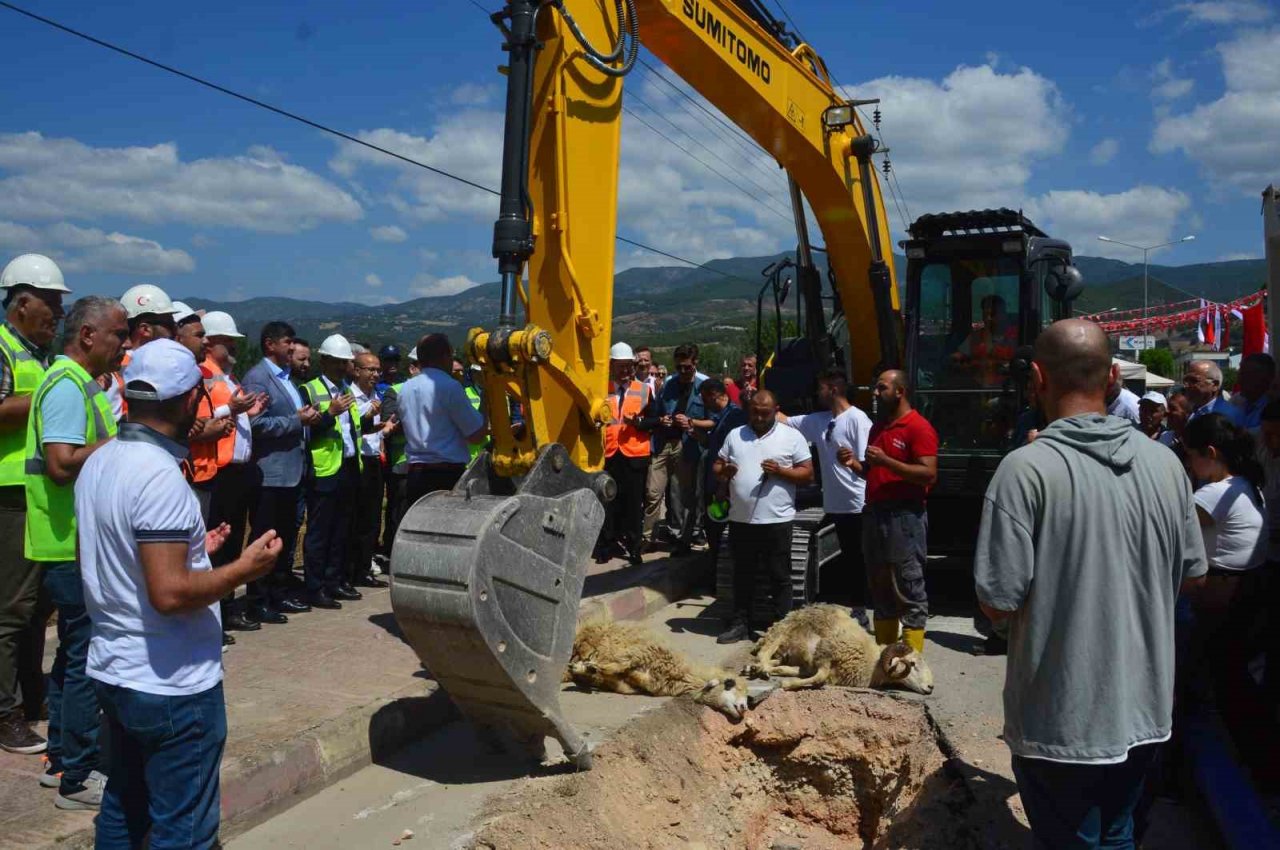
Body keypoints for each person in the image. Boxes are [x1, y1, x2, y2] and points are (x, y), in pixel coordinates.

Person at [974, 319, 1207, 849]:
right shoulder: (1167, 465)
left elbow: (997, 602)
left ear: (1037, 378)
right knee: (1119, 833)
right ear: (1113, 378)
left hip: (1062, 719)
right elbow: (1194, 575)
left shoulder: (1024, 471)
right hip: (1146, 708)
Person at [75, 338, 282, 849]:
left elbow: (118, 553)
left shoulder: (102, 461)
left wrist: (194, 550)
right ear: (189, 400)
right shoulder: (159, 476)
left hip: (115, 669)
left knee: (124, 805)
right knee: (183, 826)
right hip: (169, 682)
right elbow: (169, 594)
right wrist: (242, 570)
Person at [25, 295, 130, 808]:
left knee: (72, 654)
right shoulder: (66, 385)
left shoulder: (77, 382)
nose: (124, 345)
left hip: (73, 541)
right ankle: (78, 776)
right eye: (118, 334)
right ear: (88, 335)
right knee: (87, 658)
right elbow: (61, 464)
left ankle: (63, 760)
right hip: (70, 543)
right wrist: (122, 443)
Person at [0, 253, 68, 756]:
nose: (58, 315)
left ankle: (28, 695)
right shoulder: (4, 349)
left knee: (35, 607)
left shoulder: (41, 356)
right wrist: (52, 394)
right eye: (51, 304)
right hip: (9, 496)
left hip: (39, 496)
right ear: (22, 303)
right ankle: (5, 714)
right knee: (11, 609)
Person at [1184, 413, 1268, 719]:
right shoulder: (1247, 482)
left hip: (1219, 597)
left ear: (1210, 452)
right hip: (1247, 591)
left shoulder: (1212, 495)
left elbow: (1168, 531)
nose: (1188, 464)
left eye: (1190, 456)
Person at [713, 390, 811, 643]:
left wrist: (780, 471)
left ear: (776, 410)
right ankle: (741, 624)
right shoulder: (735, 435)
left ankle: (781, 630)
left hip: (776, 520)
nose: (758, 417)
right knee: (742, 574)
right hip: (741, 520)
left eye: (764, 413)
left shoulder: (792, 436)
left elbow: (807, 474)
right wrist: (725, 471)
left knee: (779, 576)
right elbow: (717, 465)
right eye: (754, 412)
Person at [241, 322, 320, 625]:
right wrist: (296, 420)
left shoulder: (286, 379)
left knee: (284, 537)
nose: (292, 347)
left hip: (292, 472)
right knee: (264, 537)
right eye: (287, 342)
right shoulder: (258, 378)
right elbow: (255, 424)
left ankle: (278, 592)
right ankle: (258, 599)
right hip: (269, 473)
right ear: (270, 344)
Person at [779, 368, 873, 607]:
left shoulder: (858, 419)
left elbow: (867, 464)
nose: (817, 393)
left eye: (820, 388)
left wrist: (851, 461)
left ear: (833, 389)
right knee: (849, 557)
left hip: (857, 503)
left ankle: (862, 607)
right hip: (835, 503)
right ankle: (855, 603)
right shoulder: (819, 420)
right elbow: (784, 420)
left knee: (860, 558)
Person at [199, 312, 267, 636]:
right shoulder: (204, 375)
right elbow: (200, 416)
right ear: (210, 343)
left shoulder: (228, 377)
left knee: (232, 542)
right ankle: (216, 611)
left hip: (237, 469)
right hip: (219, 469)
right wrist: (233, 409)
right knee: (219, 545)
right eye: (227, 342)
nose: (234, 347)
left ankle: (226, 607)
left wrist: (249, 413)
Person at [862, 369, 938, 653]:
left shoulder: (918, 427)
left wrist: (886, 461)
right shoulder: (878, 427)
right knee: (880, 588)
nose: (875, 392)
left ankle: (911, 660)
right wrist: (855, 465)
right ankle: (884, 658)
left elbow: (928, 474)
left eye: (881, 388)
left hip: (904, 517)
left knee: (908, 587)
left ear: (900, 392)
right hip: (875, 514)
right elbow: (875, 472)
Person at [299, 335, 362, 609]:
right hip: (324, 470)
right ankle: (314, 587)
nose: (340, 367)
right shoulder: (309, 390)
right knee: (320, 532)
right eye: (336, 362)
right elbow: (306, 431)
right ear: (323, 361)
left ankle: (334, 581)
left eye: (344, 362)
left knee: (341, 530)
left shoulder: (348, 389)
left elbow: (352, 430)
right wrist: (330, 414)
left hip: (348, 466)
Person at [398, 333, 486, 508]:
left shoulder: (405, 388)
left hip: (415, 474)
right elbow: (476, 435)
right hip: (446, 475)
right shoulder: (450, 386)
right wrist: (487, 400)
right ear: (446, 356)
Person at [598, 342, 656, 565]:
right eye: (620, 366)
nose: (624, 370)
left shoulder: (643, 390)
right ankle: (607, 545)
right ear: (611, 366)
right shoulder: (601, 390)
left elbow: (655, 420)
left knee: (633, 504)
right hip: (609, 453)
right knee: (608, 502)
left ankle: (633, 547)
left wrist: (639, 423)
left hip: (634, 455)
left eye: (627, 366)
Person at [644, 343, 705, 553]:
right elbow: (656, 411)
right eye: (679, 367)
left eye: (687, 367)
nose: (683, 371)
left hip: (687, 445)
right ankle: (649, 538)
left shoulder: (703, 387)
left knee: (682, 495)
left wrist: (691, 423)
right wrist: (662, 420)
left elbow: (712, 420)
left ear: (695, 363)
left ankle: (683, 538)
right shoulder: (668, 386)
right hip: (663, 442)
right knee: (653, 492)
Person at [101, 284, 181, 422]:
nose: (176, 331)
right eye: (169, 324)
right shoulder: (112, 370)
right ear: (145, 329)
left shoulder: (161, 363)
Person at [348, 351, 392, 589]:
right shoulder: (349, 397)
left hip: (375, 459)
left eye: (377, 370)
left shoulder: (377, 395)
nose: (375, 374)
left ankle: (364, 567)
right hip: (358, 460)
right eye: (370, 369)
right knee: (356, 517)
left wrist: (384, 432)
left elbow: (375, 432)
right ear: (357, 371)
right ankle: (351, 569)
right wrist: (367, 417)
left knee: (372, 518)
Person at [695, 378, 746, 564]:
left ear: (714, 395)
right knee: (713, 527)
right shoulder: (722, 417)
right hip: (715, 483)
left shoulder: (734, 417)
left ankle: (721, 567)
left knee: (718, 527)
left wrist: (722, 486)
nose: (704, 404)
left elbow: (734, 455)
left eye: (705, 399)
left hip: (723, 488)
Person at [379, 347, 419, 565]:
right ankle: (394, 556)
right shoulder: (395, 391)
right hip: (402, 462)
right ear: (413, 368)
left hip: (425, 463)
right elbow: (388, 426)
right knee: (399, 513)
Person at [952, 294, 1017, 386]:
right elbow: (958, 357)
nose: (988, 318)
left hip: (1008, 388)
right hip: (977, 386)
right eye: (985, 314)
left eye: (993, 314)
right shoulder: (976, 335)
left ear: (1003, 314)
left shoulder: (1017, 336)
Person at [1183, 359, 1245, 427]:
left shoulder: (1228, 416)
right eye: (1186, 380)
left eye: (1193, 381)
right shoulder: (1195, 412)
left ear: (1214, 385)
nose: (1186, 386)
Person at [1230, 352, 1275, 428]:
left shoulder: (1273, 408)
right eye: (1240, 374)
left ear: (1265, 379)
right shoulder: (1235, 401)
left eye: (1245, 375)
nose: (1239, 380)